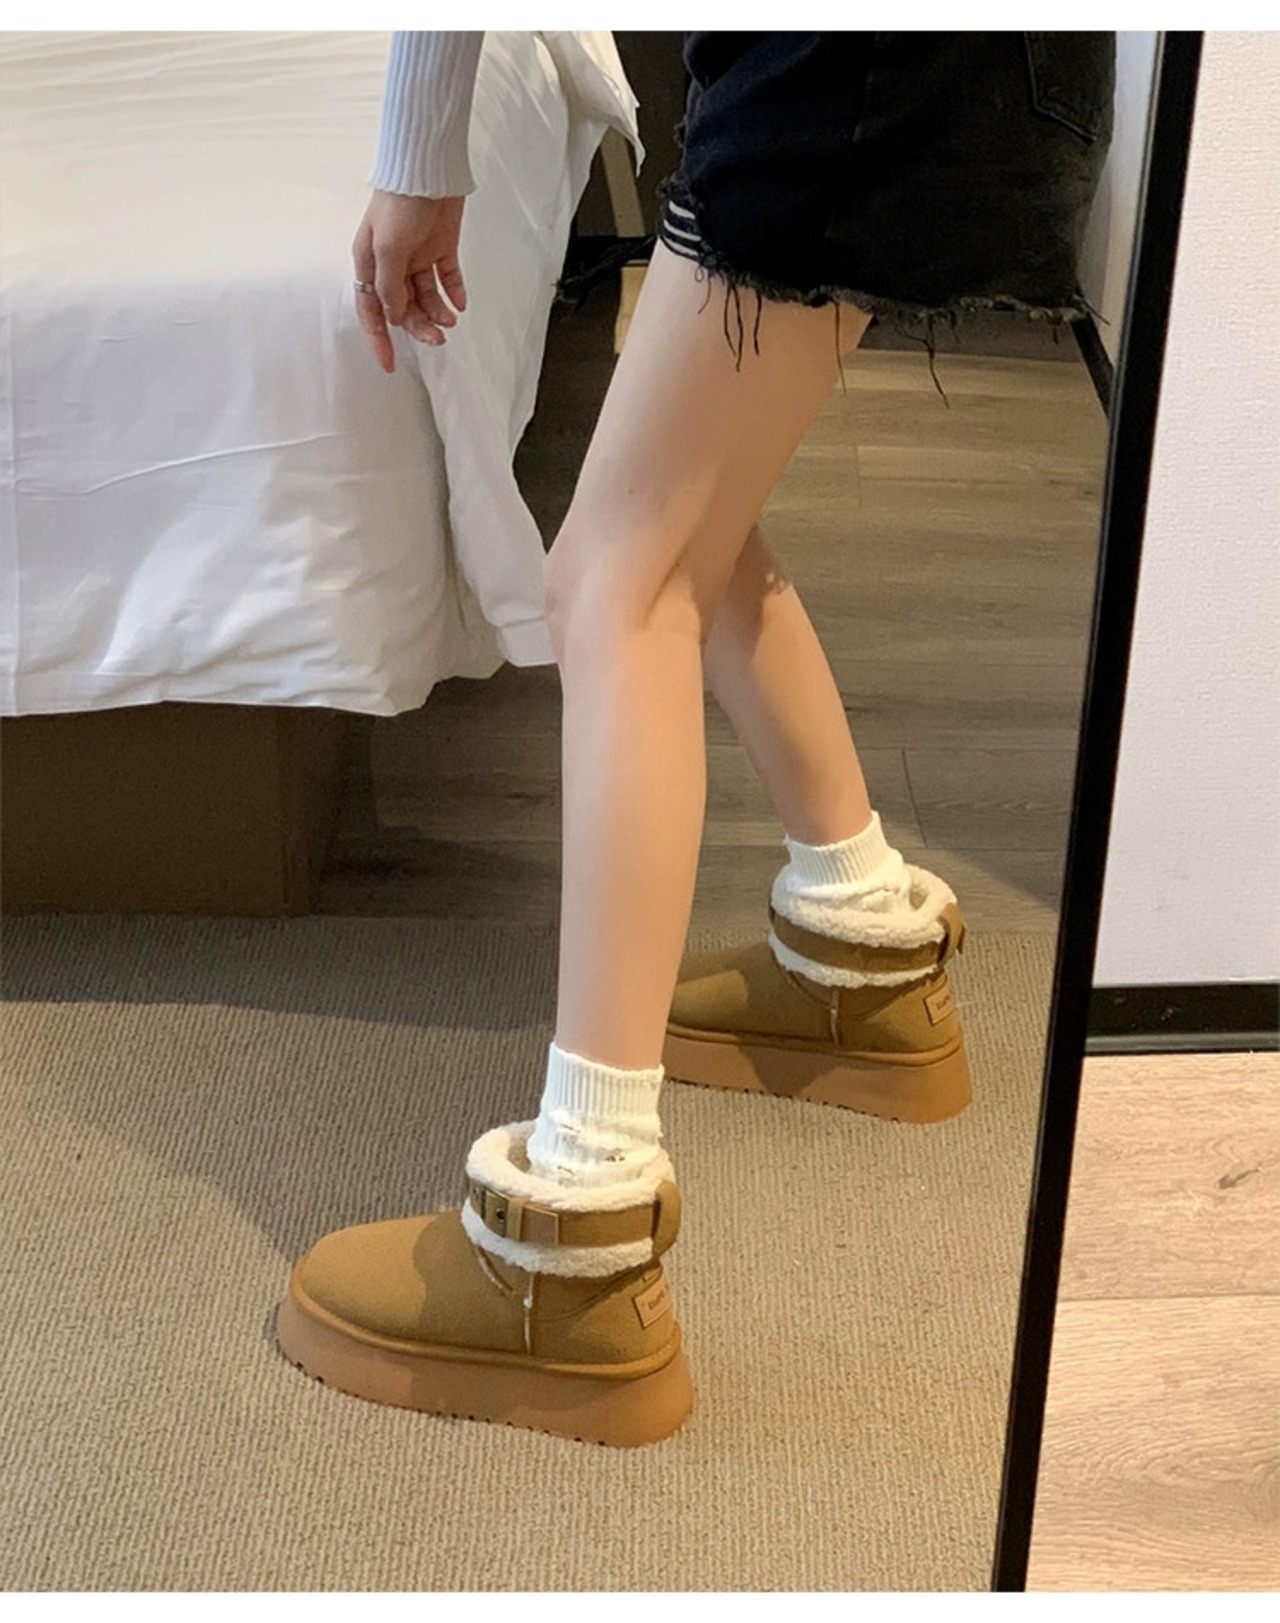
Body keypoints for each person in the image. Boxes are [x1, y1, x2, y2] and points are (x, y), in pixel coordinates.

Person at [276, 30, 1114, 1446]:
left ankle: (575, 1241)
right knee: (678, 516)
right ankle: (861, 947)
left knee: (615, 581)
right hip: (960, 60)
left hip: (846, 62)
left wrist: (417, 159)